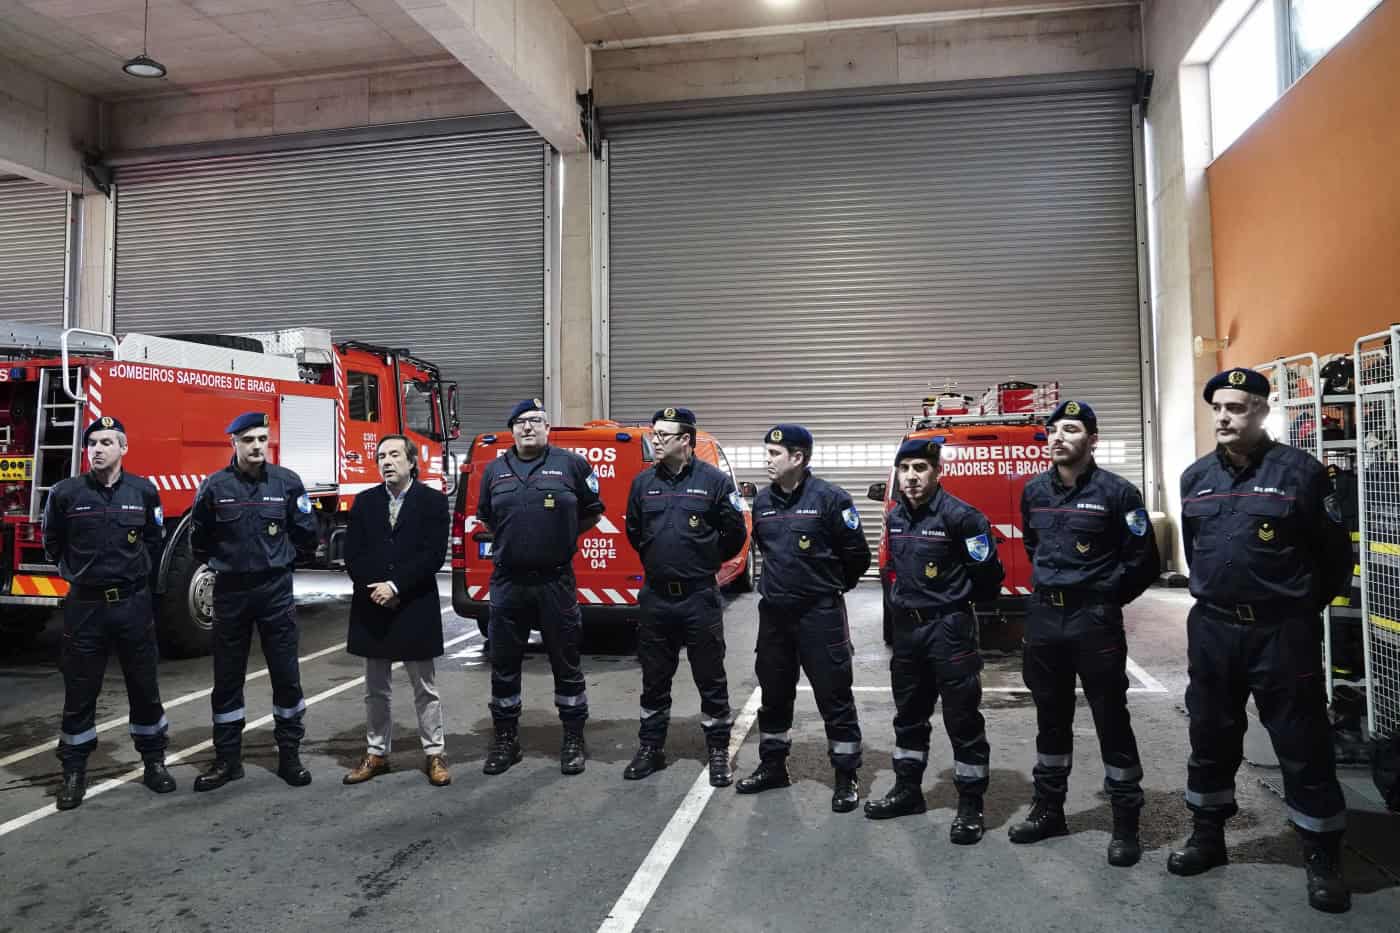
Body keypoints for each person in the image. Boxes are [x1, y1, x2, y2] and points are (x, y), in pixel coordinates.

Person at [1170, 367, 1353, 913]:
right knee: (1210, 733)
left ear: (1263, 412)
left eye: (1239, 407)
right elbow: (1195, 544)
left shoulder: (1302, 474)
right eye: (1219, 408)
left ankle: (1322, 855)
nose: (1224, 417)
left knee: (1302, 742)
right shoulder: (1195, 476)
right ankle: (1208, 836)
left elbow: (1334, 561)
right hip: (1212, 627)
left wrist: (1293, 610)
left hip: (1280, 631)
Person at [1009, 400, 1160, 865]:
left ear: (1092, 440)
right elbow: (1034, 544)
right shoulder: (1034, 491)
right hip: (1044, 620)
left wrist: (1102, 597)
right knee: (1049, 718)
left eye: (1070, 429)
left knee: (1110, 717)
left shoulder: (1119, 493)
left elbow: (1143, 561)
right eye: (1052, 430)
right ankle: (1049, 810)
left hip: (1094, 622)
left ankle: (1125, 822)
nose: (1057, 437)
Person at [864, 438, 1003, 845]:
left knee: (962, 720)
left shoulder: (964, 518)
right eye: (904, 468)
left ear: (937, 471)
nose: (911, 477)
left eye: (919, 468)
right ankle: (907, 791)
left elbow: (988, 579)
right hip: (907, 632)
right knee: (908, 715)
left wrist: (952, 606)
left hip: (949, 630)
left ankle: (971, 805)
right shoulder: (895, 518)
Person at [43, 416, 175, 810]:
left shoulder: (143, 491)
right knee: (80, 691)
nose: (97, 449)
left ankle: (154, 763)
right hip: (85, 605)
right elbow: (54, 544)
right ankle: (73, 772)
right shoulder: (65, 493)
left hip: (132, 604)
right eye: (92, 443)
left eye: (106, 442)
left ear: (123, 448)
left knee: (144, 687)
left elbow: (154, 543)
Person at [738, 424, 870, 812]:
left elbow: (856, 556)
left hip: (819, 614)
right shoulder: (761, 503)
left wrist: (827, 590)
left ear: (798, 458)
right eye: (767, 452)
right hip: (775, 616)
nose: (767, 460)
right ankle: (773, 766)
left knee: (835, 695)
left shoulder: (832, 500)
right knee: (774, 695)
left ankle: (846, 776)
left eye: (774, 454)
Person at [189, 411, 319, 792]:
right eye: (249, 440)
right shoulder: (214, 486)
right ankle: (228, 760)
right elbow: (200, 540)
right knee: (227, 678)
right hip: (230, 592)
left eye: (263, 438)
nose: (258, 446)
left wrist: (277, 562)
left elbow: (306, 536)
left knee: (285, 674)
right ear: (234, 443)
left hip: (275, 591)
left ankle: (290, 756)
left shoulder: (287, 483)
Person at [477, 399, 603, 775]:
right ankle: (505, 741)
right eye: (520, 422)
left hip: (555, 581)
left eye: (535, 421)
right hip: (508, 582)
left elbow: (593, 510)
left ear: (548, 428)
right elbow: (487, 515)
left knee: (566, 665)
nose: (528, 427)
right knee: (504, 666)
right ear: (511, 429)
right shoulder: (494, 470)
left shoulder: (571, 465)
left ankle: (573, 740)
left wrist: (562, 539)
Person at [623, 407, 747, 787]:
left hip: (699, 598)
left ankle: (717, 750)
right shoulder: (643, 484)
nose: (655, 440)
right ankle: (650, 748)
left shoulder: (714, 482)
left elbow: (734, 534)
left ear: (685, 441)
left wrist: (702, 561)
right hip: (657, 598)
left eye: (663, 435)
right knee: (654, 678)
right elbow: (634, 531)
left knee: (711, 677)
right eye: (654, 433)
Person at [342, 434, 451, 787]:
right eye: (381, 456)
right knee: (376, 689)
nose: (386, 461)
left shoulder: (433, 502)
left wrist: (397, 587)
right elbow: (353, 554)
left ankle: (435, 753)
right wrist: (374, 589)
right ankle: (376, 753)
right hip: (372, 606)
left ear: (411, 461)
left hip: (413, 603)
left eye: (393, 455)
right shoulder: (363, 503)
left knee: (425, 688)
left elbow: (432, 555)